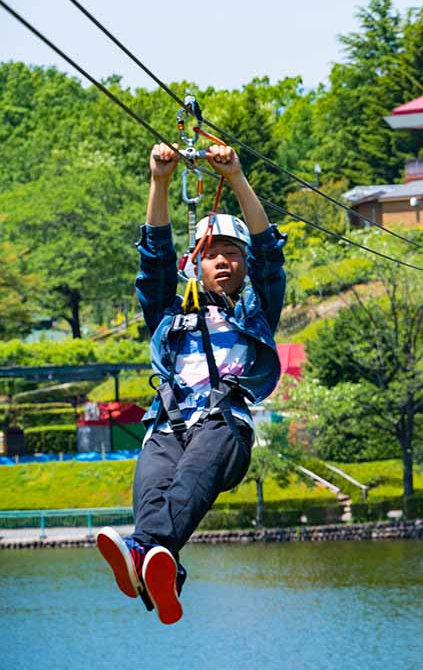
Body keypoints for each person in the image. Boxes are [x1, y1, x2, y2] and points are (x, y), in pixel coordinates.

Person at [96, 142, 286, 625]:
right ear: (194, 265)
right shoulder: (168, 313)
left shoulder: (256, 308)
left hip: (225, 425)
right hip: (168, 423)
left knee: (189, 482)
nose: (224, 262)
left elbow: (269, 251)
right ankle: (164, 571)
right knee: (153, 494)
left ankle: (150, 552)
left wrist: (238, 177)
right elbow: (154, 258)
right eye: (213, 255)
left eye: (232, 256)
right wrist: (159, 181)